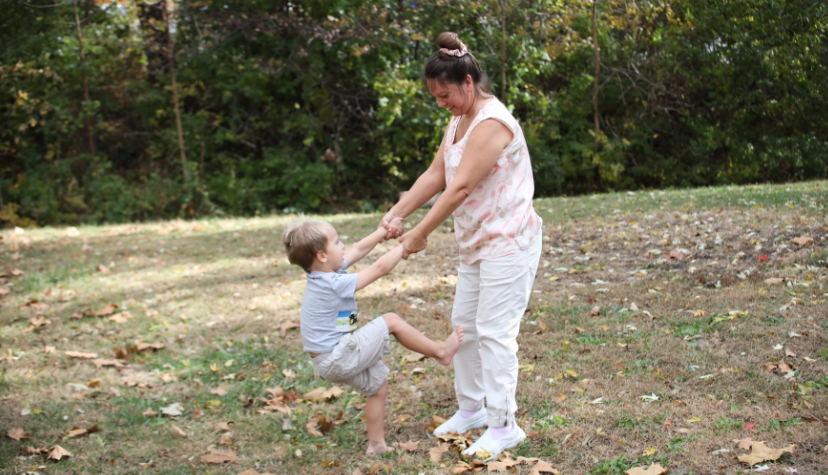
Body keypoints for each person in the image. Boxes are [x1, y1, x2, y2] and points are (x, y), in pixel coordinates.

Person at [380, 32, 543, 457]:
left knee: (494, 334)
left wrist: (420, 233)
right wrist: (400, 212)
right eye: (435, 97)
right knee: (464, 327)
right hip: (476, 242)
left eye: (445, 94)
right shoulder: (458, 121)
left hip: (509, 241)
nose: (441, 103)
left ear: (468, 83)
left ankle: (504, 424)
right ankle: (472, 409)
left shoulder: (492, 123)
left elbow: (462, 187)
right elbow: (437, 176)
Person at [281, 219, 464, 455]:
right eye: (337, 242)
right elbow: (379, 269)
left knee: (378, 386)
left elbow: (358, 249)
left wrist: (382, 232)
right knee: (391, 321)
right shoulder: (333, 283)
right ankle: (440, 352)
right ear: (322, 255)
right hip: (336, 355)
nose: (344, 245)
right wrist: (403, 246)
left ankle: (376, 445)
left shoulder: (324, 273)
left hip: (329, 360)